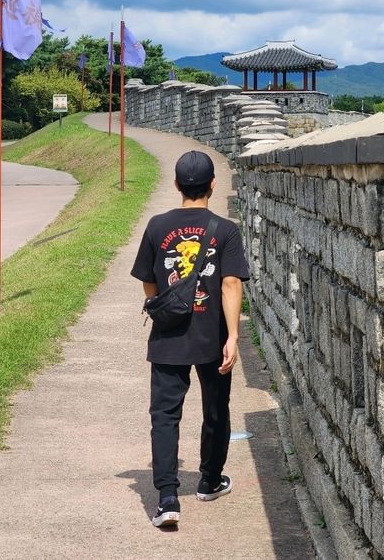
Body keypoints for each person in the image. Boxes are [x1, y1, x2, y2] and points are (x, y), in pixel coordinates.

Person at [131, 150, 249, 529]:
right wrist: (232, 335)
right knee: (216, 408)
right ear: (213, 184)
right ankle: (210, 481)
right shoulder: (225, 230)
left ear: (177, 184)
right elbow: (230, 283)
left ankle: (167, 498)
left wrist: (162, 302)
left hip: (169, 333)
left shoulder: (156, 226)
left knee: (165, 415)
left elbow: (149, 281)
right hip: (211, 333)